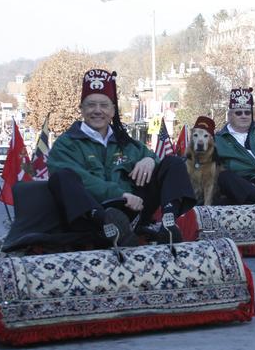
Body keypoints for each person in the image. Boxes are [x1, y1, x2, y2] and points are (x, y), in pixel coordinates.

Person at [47, 68, 195, 246]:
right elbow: (80, 179)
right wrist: (120, 195)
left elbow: (151, 157)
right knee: (62, 176)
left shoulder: (125, 141)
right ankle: (111, 228)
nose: (97, 110)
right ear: (81, 109)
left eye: (104, 105)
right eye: (91, 105)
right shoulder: (66, 144)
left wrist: (150, 160)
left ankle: (168, 223)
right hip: (94, 217)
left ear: (113, 110)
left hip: (134, 210)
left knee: (173, 163)